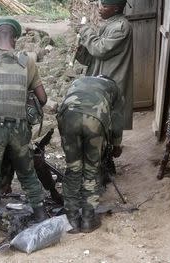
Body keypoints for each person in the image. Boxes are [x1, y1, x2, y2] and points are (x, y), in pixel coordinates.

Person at [0, 17, 48, 253]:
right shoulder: (27, 62)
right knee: (27, 174)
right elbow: (42, 99)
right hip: (20, 129)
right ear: (15, 38)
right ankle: (43, 222)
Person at [56, 75, 123, 233]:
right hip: (95, 119)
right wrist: (116, 144)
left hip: (68, 117)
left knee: (73, 168)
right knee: (92, 169)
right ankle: (87, 219)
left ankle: (71, 219)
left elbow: (64, 105)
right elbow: (118, 119)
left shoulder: (78, 81)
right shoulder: (114, 88)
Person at [75, 0, 133, 130]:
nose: (100, 8)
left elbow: (100, 49)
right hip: (102, 78)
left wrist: (86, 32)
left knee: (110, 116)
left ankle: (113, 145)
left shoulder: (120, 27)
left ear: (116, 8)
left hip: (111, 79)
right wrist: (80, 48)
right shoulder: (110, 24)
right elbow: (93, 55)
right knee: (100, 117)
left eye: (105, 6)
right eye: (100, 5)